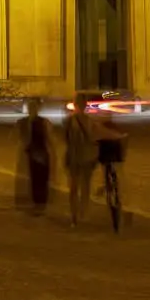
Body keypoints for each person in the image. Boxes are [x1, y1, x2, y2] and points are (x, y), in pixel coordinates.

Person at [64, 94, 99, 226]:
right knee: (81, 187)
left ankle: (78, 214)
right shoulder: (86, 121)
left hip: (78, 157)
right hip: (81, 157)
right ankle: (79, 213)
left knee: (78, 187)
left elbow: (66, 139)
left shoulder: (73, 120)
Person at [16, 98, 53, 214]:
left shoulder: (42, 122)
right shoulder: (25, 122)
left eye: (33, 107)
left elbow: (49, 139)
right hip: (34, 154)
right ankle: (38, 203)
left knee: (41, 179)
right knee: (35, 180)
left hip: (40, 154)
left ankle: (41, 203)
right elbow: (19, 138)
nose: (32, 110)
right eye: (31, 108)